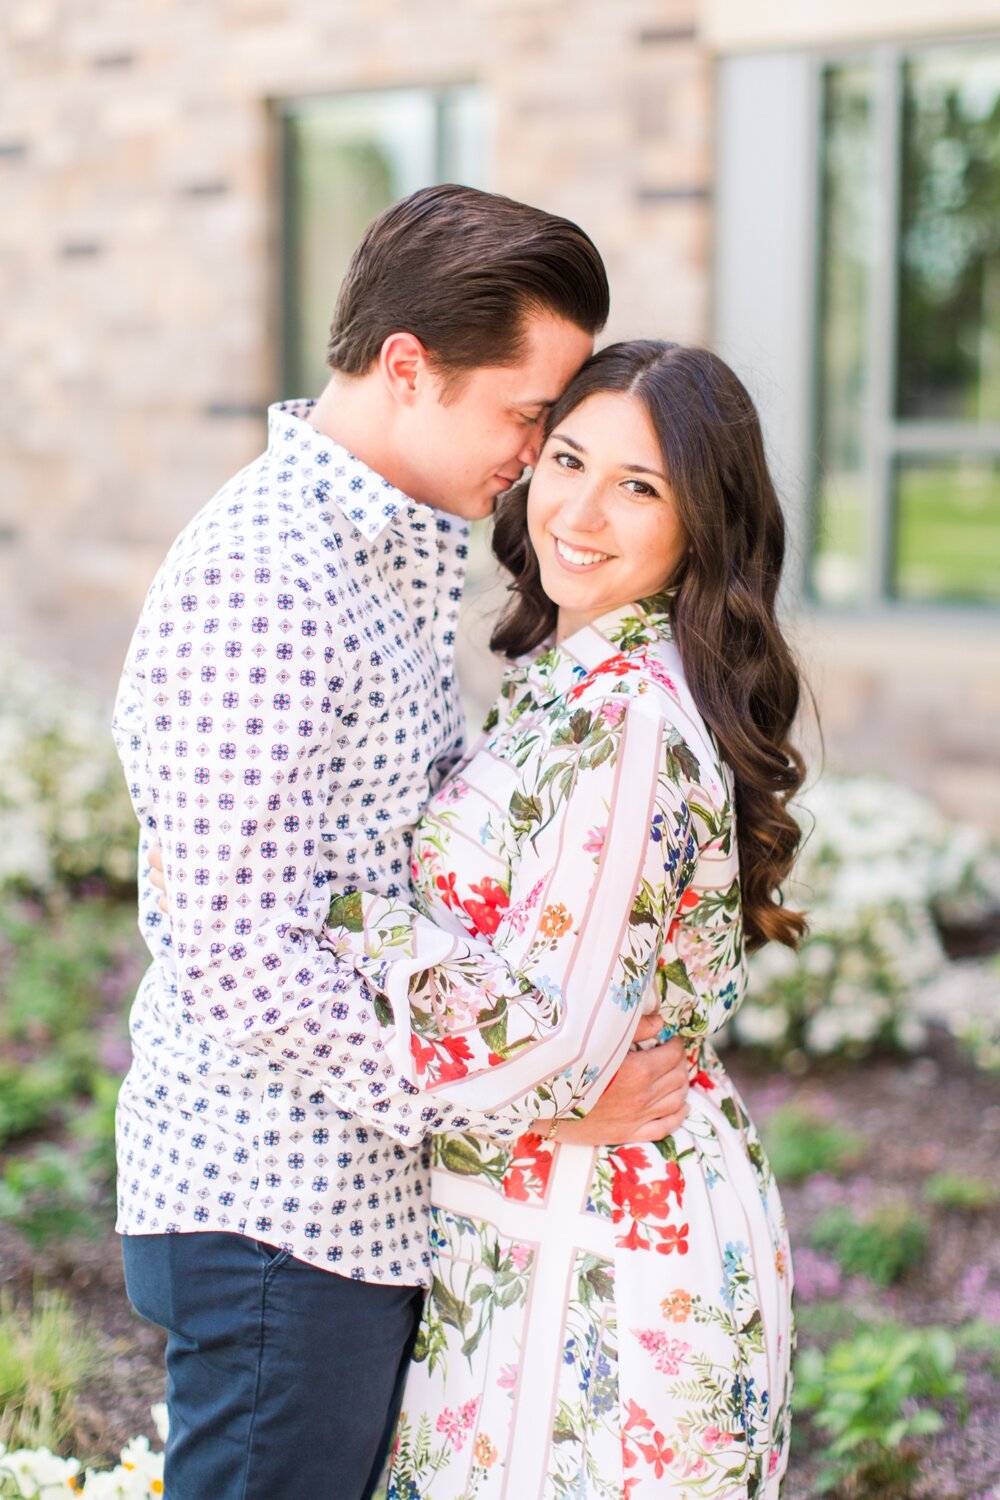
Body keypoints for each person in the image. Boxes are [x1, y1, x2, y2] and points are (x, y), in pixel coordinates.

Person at [114, 186, 691, 1500]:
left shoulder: (382, 558)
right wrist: (528, 1100)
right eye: (528, 416)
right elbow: (244, 953)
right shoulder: (273, 572)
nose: (540, 454)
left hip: (342, 1203)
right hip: (276, 1207)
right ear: (410, 368)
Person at [321, 340, 807, 1498]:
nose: (580, 512)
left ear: (705, 523)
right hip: (536, 1230)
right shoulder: (576, 683)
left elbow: (556, 1044)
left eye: (639, 486)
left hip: (604, 1269)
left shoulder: (630, 722)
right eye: (567, 461)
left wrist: (341, 911)